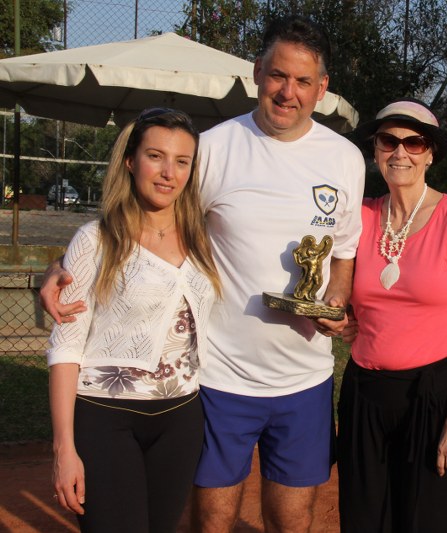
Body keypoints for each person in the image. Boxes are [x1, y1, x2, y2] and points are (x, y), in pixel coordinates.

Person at [40, 16, 365, 532]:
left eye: (304, 81)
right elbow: (146, 219)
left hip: (305, 379)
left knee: (294, 518)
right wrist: (64, 266)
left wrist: (336, 299)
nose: (289, 92)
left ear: (321, 88)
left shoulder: (345, 158)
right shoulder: (213, 147)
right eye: (278, 75)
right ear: (257, 72)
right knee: (212, 519)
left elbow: (343, 250)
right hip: (218, 377)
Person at [47, 108, 222, 532]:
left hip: (181, 416)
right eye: (155, 156)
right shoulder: (95, 239)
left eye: (181, 161)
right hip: (106, 417)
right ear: (130, 161)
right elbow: (65, 347)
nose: (168, 173)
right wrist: (63, 449)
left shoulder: (205, 238)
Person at [338, 98, 447, 532]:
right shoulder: (360, 215)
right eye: (388, 141)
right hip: (364, 393)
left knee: (427, 522)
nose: (400, 152)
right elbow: (340, 289)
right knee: (363, 521)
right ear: (375, 149)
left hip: (432, 398)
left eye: (414, 143)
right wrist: (344, 315)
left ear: (430, 154)